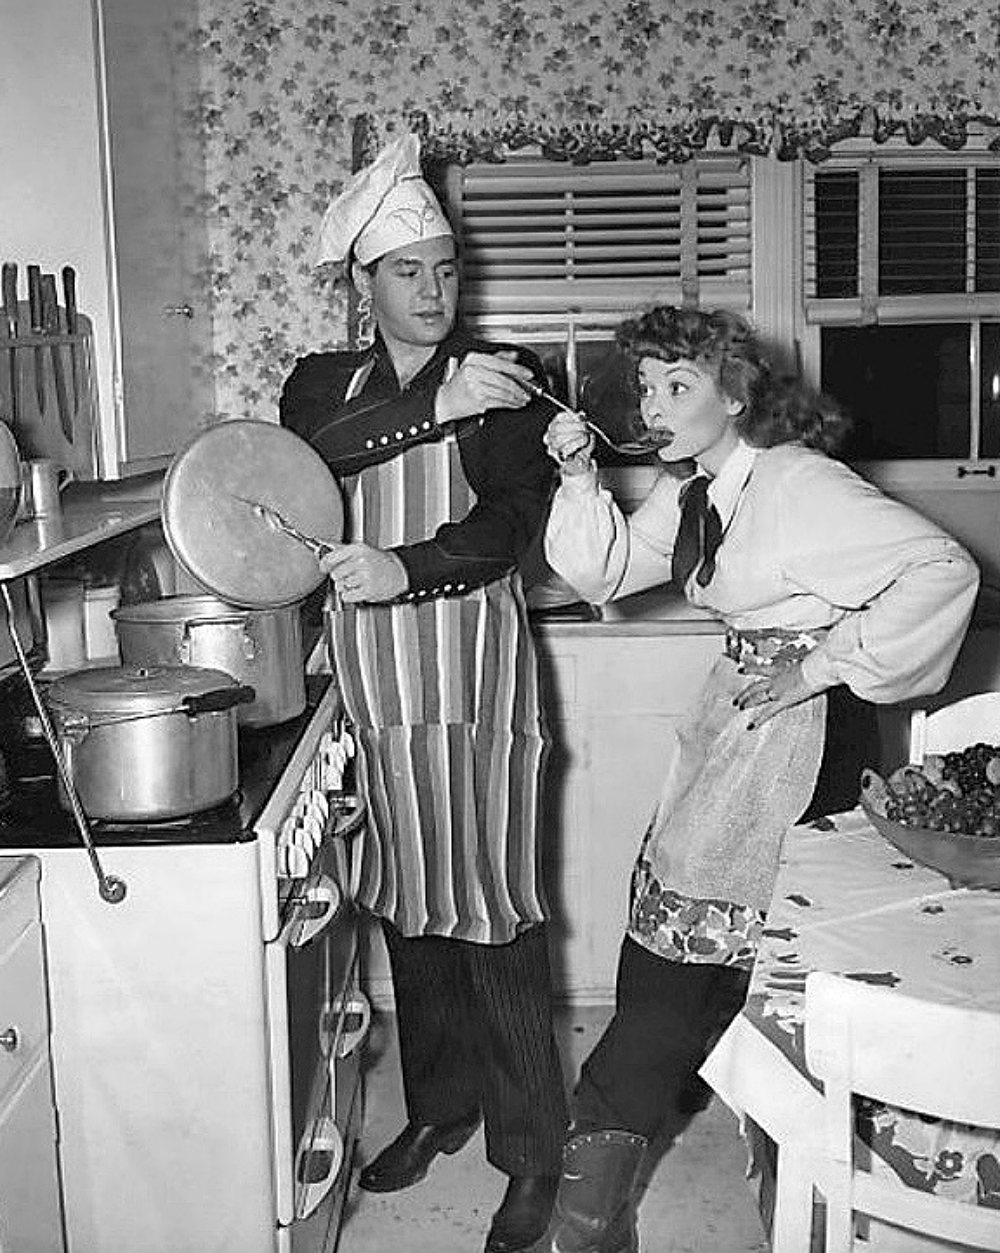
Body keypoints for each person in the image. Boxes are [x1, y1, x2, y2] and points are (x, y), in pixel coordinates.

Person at [540, 305, 980, 1252]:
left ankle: (774, 1194)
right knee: (688, 939)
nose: (653, 405)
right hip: (740, 725)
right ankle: (617, 1202)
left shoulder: (796, 482)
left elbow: (941, 569)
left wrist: (821, 664)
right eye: (646, 387)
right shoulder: (701, 485)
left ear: (736, 395)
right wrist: (579, 476)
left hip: (802, 740)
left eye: (679, 386)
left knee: (751, 963)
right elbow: (602, 571)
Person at [279, 132, 567, 1253]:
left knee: (490, 906)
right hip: (369, 686)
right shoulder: (321, 384)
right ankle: (441, 1107)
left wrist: (408, 564)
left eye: (447, 269)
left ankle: (532, 1151)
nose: (436, 291)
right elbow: (303, 464)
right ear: (364, 282)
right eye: (409, 272)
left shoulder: (505, 375)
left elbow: (509, 522)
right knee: (407, 901)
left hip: (471, 678)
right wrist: (427, 405)